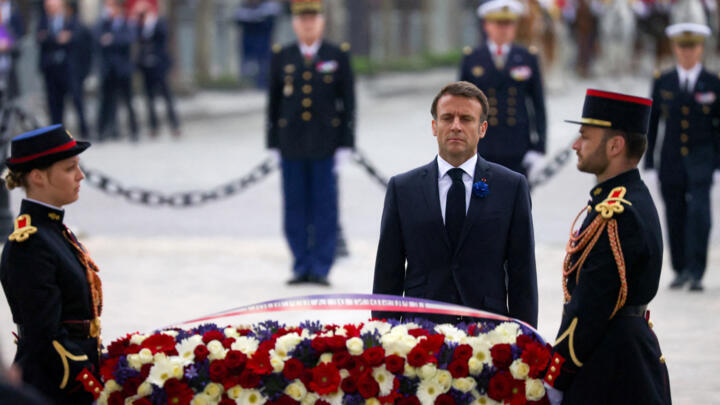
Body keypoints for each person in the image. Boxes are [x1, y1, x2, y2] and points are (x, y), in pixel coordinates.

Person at [371, 81, 538, 327]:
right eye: (447, 118)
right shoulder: (403, 189)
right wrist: (383, 336)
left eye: (466, 119)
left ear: (482, 128)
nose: (456, 126)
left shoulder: (511, 187)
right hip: (419, 336)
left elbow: (522, 274)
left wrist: (526, 339)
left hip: (488, 336)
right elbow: (388, 273)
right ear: (434, 126)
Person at [543, 89, 671, 404]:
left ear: (615, 145)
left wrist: (556, 374)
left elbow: (591, 304)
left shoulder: (618, 212)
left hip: (613, 366)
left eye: (585, 137)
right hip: (622, 352)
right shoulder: (623, 198)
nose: (575, 144)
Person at [0, 124, 102, 404]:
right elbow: (45, 335)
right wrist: (87, 382)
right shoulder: (29, 243)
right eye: (70, 168)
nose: (80, 176)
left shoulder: (53, 230)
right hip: (53, 384)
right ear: (37, 176)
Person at [267, 0, 355, 286]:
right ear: (294, 23)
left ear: (321, 22)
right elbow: (274, 103)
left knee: (324, 206)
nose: (308, 23)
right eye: (302, 19)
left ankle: (320, 266)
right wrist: (272, 144)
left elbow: (348, 103)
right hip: (291, 143)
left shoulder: (336, 55)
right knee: (295, 205)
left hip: (325, 144)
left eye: (313, 18)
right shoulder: (283, 55)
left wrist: (346, 144)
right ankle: (300, 263)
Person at [646, 23, 719, 292]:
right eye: (682, 47)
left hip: (702, 160)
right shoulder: (663, 80)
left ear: (700, 49)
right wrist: (650, 162)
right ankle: (679, 269)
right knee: (675, 215)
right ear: (675, 49)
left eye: (693, 47)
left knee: (699, 215)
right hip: (671, 160)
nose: (687, 53)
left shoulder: (713, 82)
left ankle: (696, 270)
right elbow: (652, 124)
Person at [459, 0, 547, 176]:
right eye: (498, 23)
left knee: (516, 201)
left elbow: (538, 105)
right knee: (481, 200)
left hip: (518, 147)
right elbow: (461, 106)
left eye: (509, 23)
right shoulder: (473, 58)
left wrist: (538, 147)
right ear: (486, 26)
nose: (504, 29)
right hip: (482, 145)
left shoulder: (527, 57)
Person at [37, 0, 90, 138]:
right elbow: (41, 39)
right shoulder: (43, 21)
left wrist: (56, 39)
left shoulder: (70, 20)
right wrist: (57, 39)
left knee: (77, 100)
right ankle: (57, 134)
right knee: (54, 104)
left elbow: (77, 38)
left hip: (69, 69)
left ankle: (84, 130)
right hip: (51, 70)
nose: (50, 9)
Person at [131, 0, 180, 137]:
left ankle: (174, 124)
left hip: (159, 65)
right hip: (145, 66)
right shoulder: (139, 26)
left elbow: (163, 39)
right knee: (149, 97)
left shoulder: (159, 22)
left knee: (166, 95)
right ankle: (154, 126)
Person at [96, 0, 138, 141]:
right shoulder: (104, 23)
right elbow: (96, 37)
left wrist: (112, 39)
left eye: (111, 6)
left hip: (122, 70)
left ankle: (134, 131)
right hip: (108, 70)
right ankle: (102, 131)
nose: (108, 10)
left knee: (128, 101)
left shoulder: (127, 23)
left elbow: (128, 39)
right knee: (106, 102)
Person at [234, 0, 282, 89]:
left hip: (264, 44)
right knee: (247, 69)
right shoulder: (243, 8)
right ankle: (246, 86)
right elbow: (238, 19)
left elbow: (272, 18)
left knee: (264, 68)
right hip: (248, 45)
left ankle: (262, 86)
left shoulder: (270, 7)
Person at [0, 0, 24, 101]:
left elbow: (18, 35)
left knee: (9, 95)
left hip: (7, 62)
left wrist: (8, 44)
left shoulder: (14, 8)